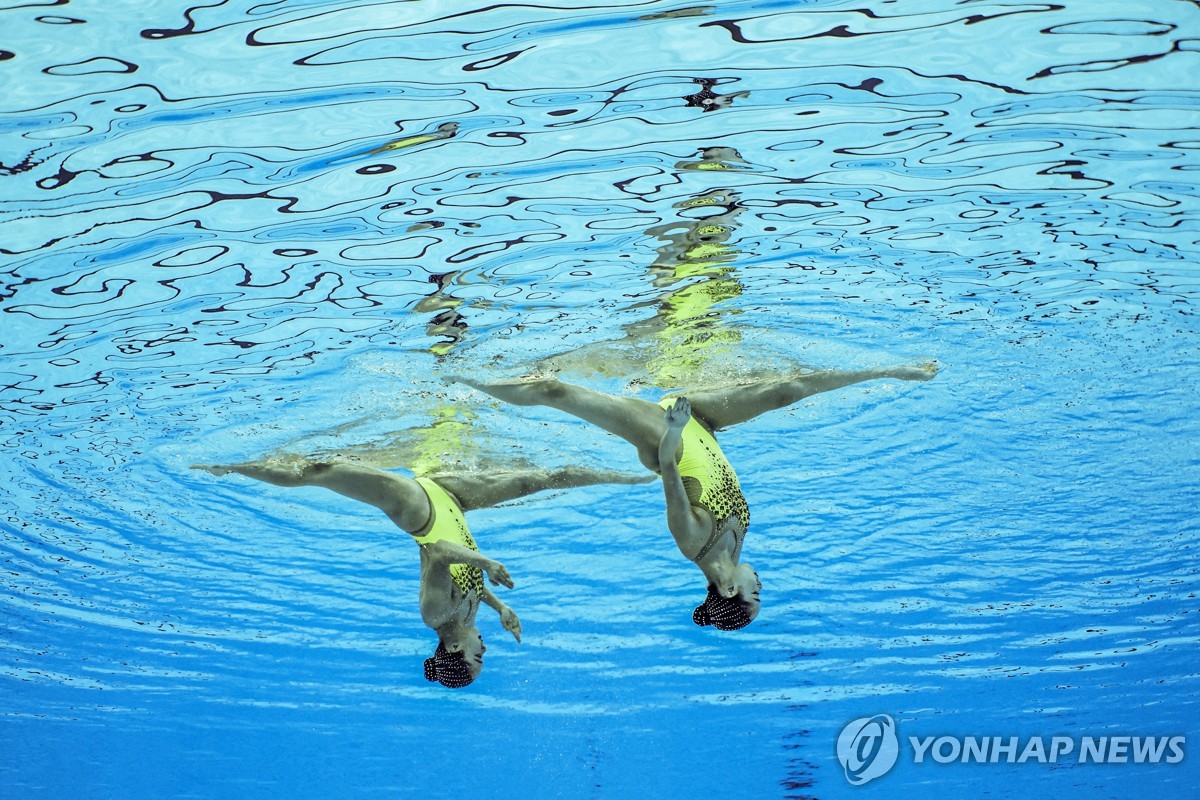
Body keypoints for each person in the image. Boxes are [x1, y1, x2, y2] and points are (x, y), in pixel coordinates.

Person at [450, 364, 937, 631]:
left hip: (673, 437)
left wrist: (675, 427)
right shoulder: (736, 548)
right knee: (787, 388)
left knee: (554, 390)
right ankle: (891, 371)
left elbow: (666, 468)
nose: (760, 583)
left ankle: (460, 379)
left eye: (756, 592)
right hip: (705, 422)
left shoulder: (693, 543)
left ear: (727, 590)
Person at [191, 459, 651, 687]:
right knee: (543, 479)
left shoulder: (435, 615)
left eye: (477, 657)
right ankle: (632, 477)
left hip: (420, 509)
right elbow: (469, 590)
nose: (485, 650)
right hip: (454, 496)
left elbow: (436, 554)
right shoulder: (466, 618)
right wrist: (501, 604)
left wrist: (485, 562)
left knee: (318, 470)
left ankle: (225, 468)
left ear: (452, 649)